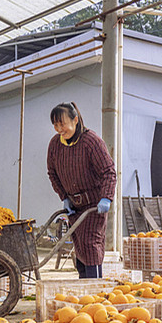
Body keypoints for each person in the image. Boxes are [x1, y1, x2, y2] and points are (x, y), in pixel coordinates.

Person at [47, 102, 117, 278]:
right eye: (55, 125)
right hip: (74, 204)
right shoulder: (55, 144)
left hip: (94, 204)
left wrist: (106, 198)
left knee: (90, 243)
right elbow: (52, 173)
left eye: (62, 124)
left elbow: (109, 171)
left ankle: (94, 286)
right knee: (79, 245)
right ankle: (84, 284)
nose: (59, 129)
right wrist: (64, 197)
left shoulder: (91, 142)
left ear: (75, 120)